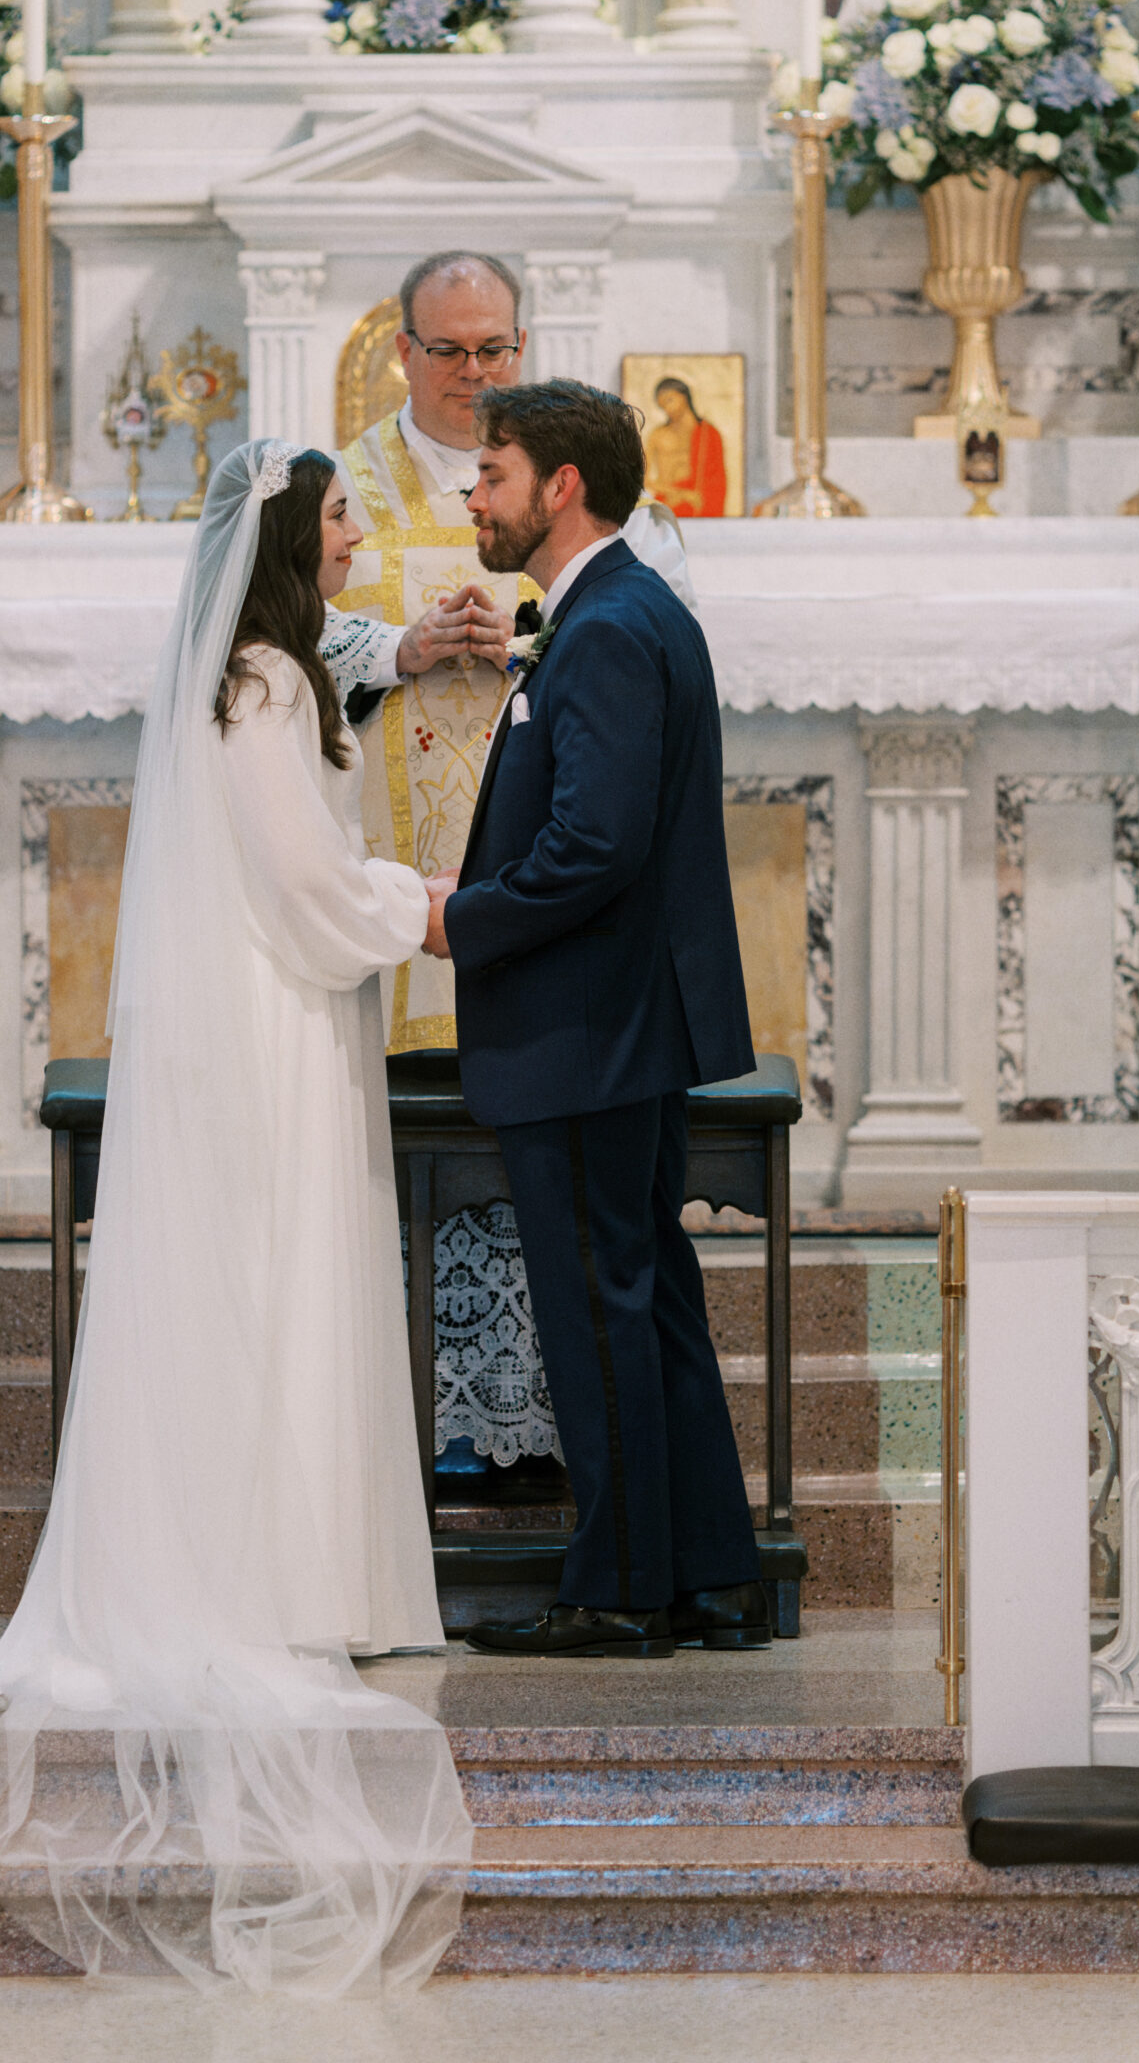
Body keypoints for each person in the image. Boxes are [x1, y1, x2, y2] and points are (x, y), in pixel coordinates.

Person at [0, 440, 473, 1995]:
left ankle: (300, 1567)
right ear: (298, 538)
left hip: (269, 997)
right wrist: (415, 905)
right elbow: (300, 876)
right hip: (276, 1003)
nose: (366, 531)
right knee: (279, 1269)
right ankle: (281, 1578)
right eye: (348, 513)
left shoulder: (267, 675)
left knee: (277, 1270)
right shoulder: (267, 687)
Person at [321, 249, 698, 1470]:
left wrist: (524, 629)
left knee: (575, 1220)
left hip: (544, 920)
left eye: (495, 350)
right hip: (404, 886)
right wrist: (398, 645)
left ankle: (553, 1450)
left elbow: (653, 604)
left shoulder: (572, 471)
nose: (473, 374)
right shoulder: (344, 485)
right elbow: (270, 634)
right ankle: (429, 1430)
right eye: (449, 351)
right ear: (403, 350)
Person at [424, 380, 770, 1660]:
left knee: (599, 1304)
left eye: (494, 471)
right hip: (617, 1018)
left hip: (588, 1024)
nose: (477, 494)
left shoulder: (613, 626)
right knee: (647, 1292)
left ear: (560, 484)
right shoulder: (619, 611)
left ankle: (620, 1586)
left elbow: (596, 848)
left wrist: (466, 918)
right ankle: (707, 1571)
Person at [643, 374, 728, 517]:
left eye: (670, 400)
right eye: (663, 406)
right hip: (668, 502)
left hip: (699, 504)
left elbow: (717, 480)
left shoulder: (708, 434)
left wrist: (692, 497)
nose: (668, 409)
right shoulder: (658, 435)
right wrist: (682, 494)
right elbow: (643, 479)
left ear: (685, 396)